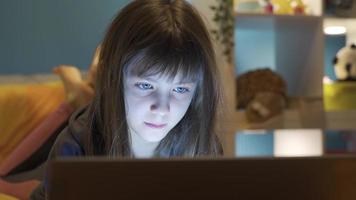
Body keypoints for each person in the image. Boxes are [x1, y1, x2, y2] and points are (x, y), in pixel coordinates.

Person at [31, 0, 223, 198]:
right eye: (146, 85)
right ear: (114, 79)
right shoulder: (76, 148)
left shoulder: (204, 146)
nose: (162, 109)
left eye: (180, 89)